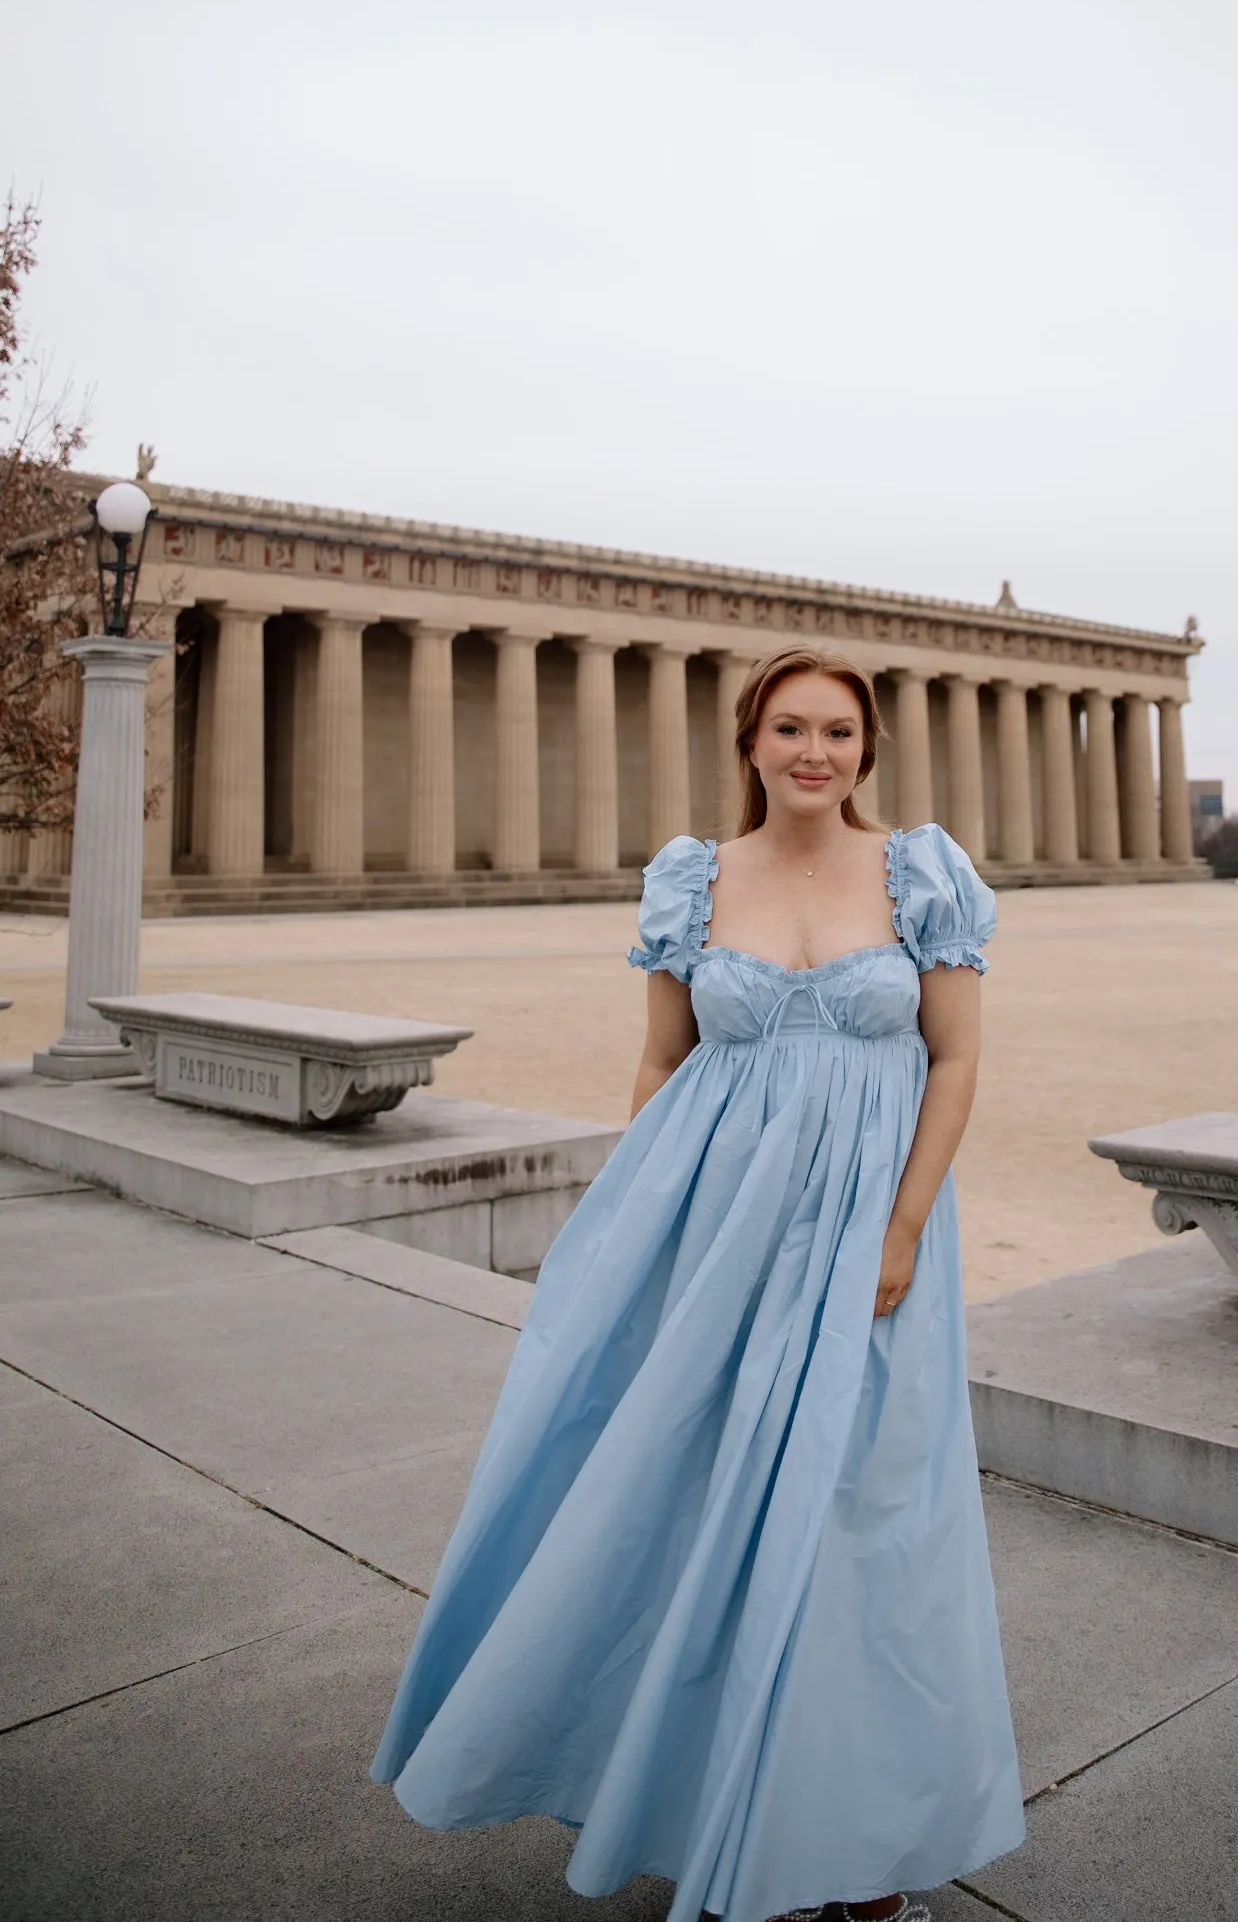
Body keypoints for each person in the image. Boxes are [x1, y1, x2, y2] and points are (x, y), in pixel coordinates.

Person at [371, 645, 1024, 1922]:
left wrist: (900, 1229)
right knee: (691, 1509)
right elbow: (664, 1063)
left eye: (838, 731)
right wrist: (635, 1234)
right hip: (712, 1231)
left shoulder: (923, 873)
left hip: (865, 1235)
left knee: (858, 1518)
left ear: (867, 748)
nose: (814, 753)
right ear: (750, 742)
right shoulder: (691, 879)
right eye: (790, 728)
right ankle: (725, 1812)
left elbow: (953, 1063)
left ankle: (851, 1843)